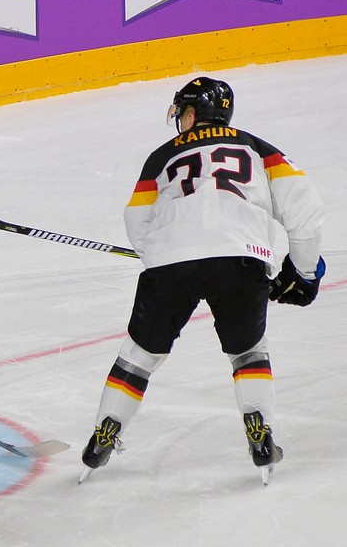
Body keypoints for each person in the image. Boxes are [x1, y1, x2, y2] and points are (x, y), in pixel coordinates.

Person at [79, 77, 325, 484]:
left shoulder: (162, 156)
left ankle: (106, 430)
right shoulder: (257, 147)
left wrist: (158, 254)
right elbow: (304, 208)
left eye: (182, 113)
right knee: (248, 353)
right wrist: (302, 271)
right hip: (241, 260)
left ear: (193, 114)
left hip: (172, 264)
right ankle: (259, 431)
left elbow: (137, 220)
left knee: (139, 356)